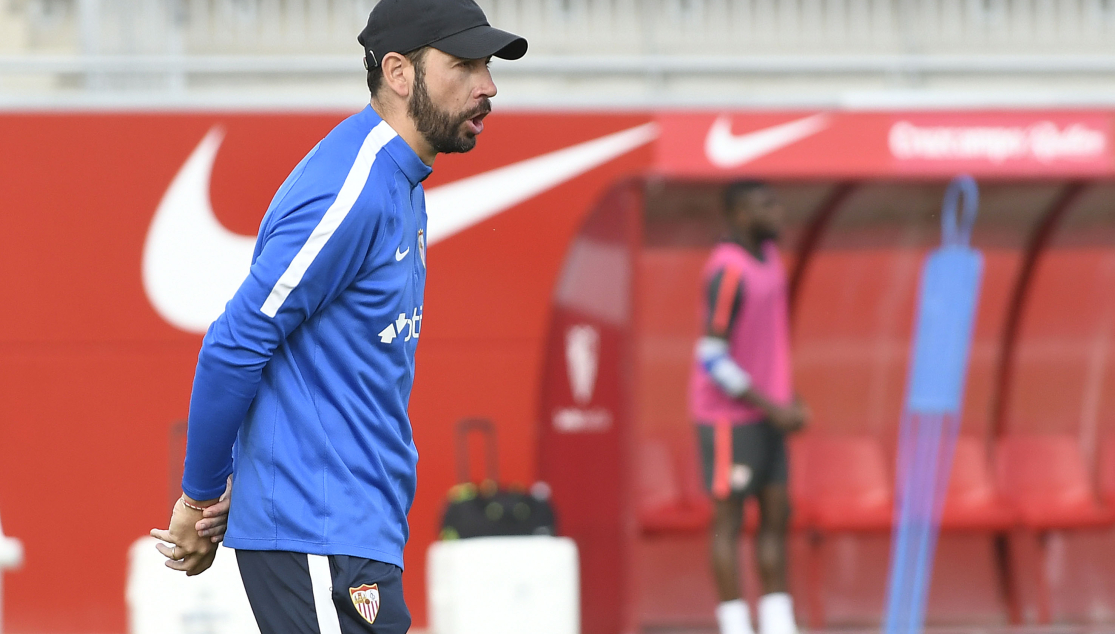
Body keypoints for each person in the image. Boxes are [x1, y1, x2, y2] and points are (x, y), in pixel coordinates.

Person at [150, 1, 526, 632]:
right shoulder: (352, 186)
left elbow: (322, 364)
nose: (488, 86)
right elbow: (234, 345)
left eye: (486, 66)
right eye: (464, 64)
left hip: (349, 523)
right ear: (400, 73)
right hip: (318, 531)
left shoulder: (399, 177)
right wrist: (200, 494)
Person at [688, 181, 810, 634]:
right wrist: (768, 405)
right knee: (728, 522)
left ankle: (779, 623)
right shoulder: (727, 271)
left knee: (777, 515)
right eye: (766, 205)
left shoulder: (772, 260)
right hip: (729, 418)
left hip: (770, 414)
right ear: (740, 214)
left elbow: (768, 346)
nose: (778, 212)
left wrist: (787, 399)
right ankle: (735, 624)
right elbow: (711, 354)